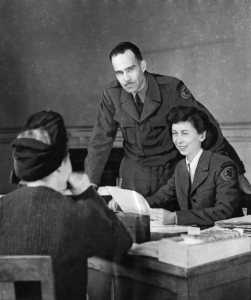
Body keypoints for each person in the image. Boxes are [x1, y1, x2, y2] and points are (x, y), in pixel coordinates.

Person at [84, 41, 251, 197]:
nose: (126, 78)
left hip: (169, 176)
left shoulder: (171, 89)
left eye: (130, 69)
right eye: (119, 72)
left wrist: (237, 172)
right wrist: (91, 183)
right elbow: (101, 139)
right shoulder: (112, 93)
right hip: (133, 178)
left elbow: (207, 127)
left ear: (142, 66)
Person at [0, 110, 132, 300]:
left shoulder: (2, 207)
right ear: (62, 164)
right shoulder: (77, 214)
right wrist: (88, 193)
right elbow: (121, 242)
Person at [146, 106, 243, 226]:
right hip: (195, 234)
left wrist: (175, 218)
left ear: (202, 136)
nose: (178, 140)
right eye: (174, 134)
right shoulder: (180, 167)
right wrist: (129, 204)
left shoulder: (223, 165)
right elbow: (162, 197)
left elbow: (224, 210)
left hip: (229, 236)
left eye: (185, 133)